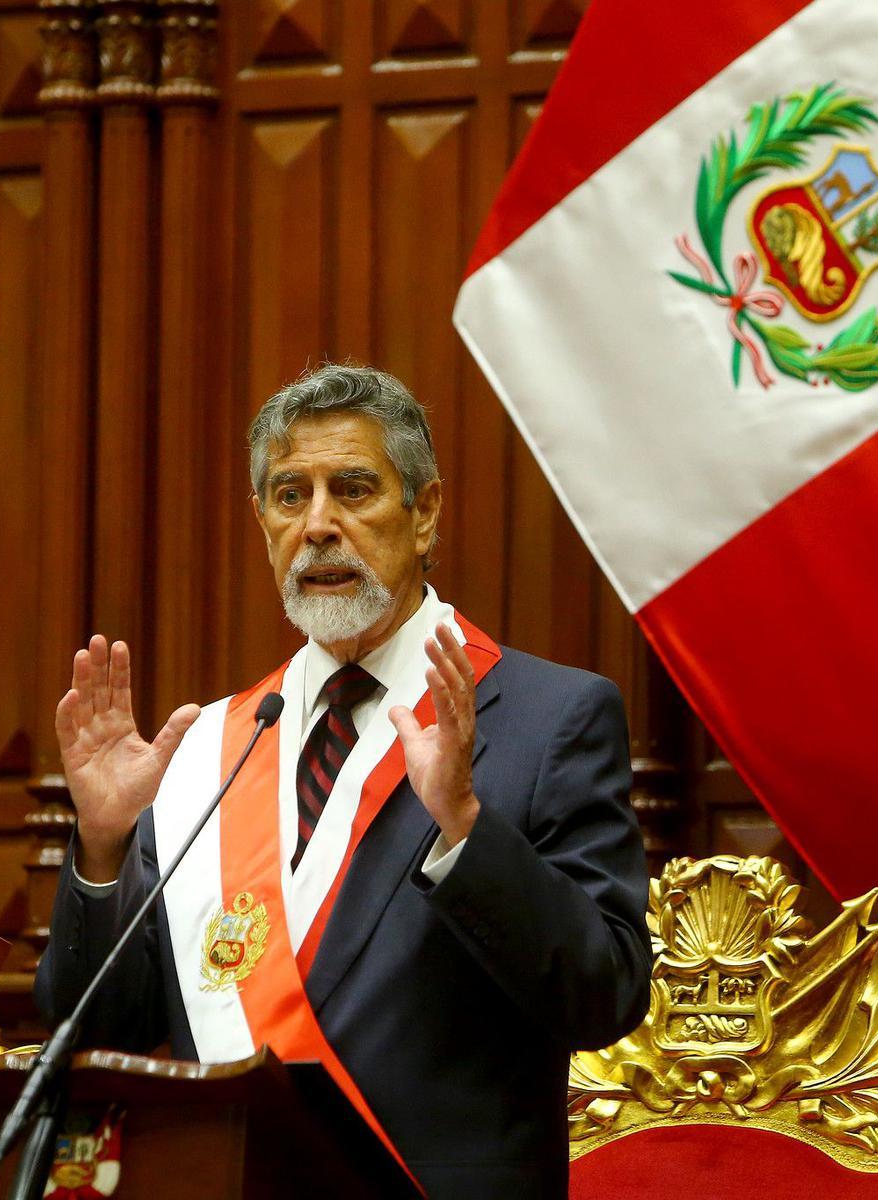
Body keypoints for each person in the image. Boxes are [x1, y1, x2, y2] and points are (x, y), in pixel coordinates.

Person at [35, 363, 652, 1199]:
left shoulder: (550, 718)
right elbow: (101, 1032)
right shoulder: (213, 746)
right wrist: (105, 849)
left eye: (353, 490)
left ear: (424, 512)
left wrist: (466, 830)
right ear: (262, 522)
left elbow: (606, 996)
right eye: (290, 496)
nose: (318, 525)